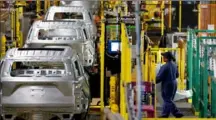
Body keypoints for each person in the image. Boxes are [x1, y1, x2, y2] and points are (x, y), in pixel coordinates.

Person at [156, 51, 184, 118]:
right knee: (168, 99)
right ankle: (165, 114)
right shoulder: (174, 65)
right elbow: (177, 75)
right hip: (174, 83)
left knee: (167, 99)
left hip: (167, 84)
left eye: (163, 57)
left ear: (166, 58)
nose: (163, 58)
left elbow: (159, 77)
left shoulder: (164, 66)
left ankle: (177, 112)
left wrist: (154, 82)